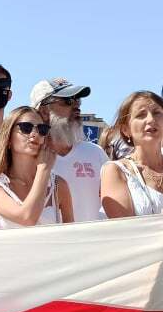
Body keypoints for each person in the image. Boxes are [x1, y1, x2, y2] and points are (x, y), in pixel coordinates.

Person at [0, 106, 73, 229]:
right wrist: (43, 169)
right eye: (26, 128)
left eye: (42, 129)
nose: (34, 134)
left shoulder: (58, 185)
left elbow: (72, 237)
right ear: (8, 137)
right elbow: (27, 217)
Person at [101, 91, 163, 218]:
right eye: (141, 115)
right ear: (125, 129)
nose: (151, 119)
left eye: (157, 113)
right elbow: (123, 226)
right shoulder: (115, 171)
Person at [31, 78, 108, 222]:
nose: (77, 107)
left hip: (91, 242)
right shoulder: (28, 157)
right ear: (44, 110)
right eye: (68, 102)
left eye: (78, 101)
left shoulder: (95, 153)